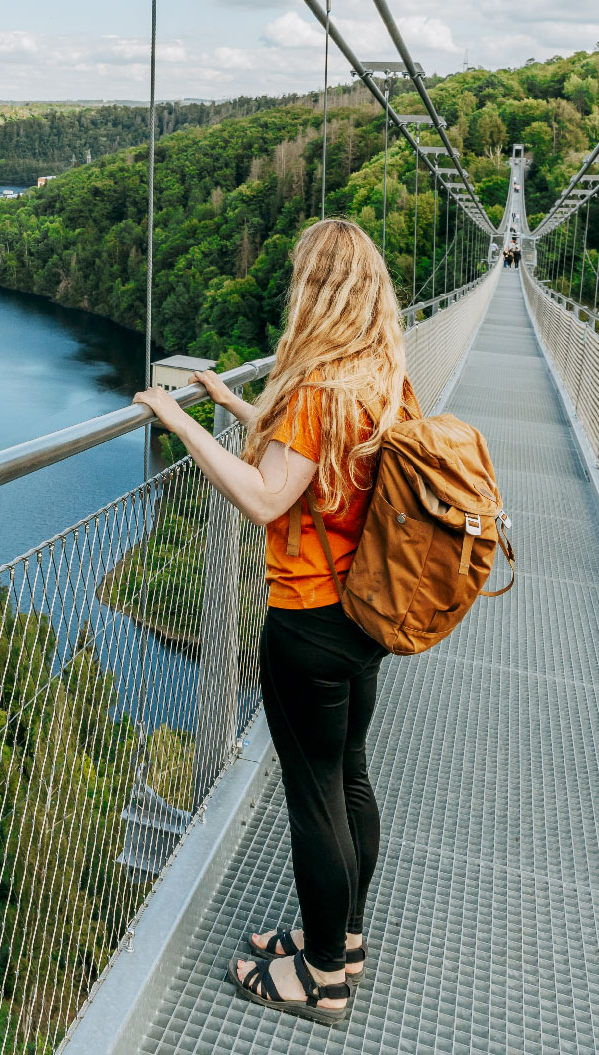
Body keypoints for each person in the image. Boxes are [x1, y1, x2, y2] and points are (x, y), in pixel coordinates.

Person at [135, 217, 414, 1026]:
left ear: (314, 292)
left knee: (313, 794)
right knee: (349, 774)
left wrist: (180, 419)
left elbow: (265, 495)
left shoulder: (320, 389)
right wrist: (235, 402)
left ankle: (322, 978)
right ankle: (343, 939)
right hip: (364, 616)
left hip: (309, 623)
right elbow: (314, 461)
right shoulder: (379, 377)